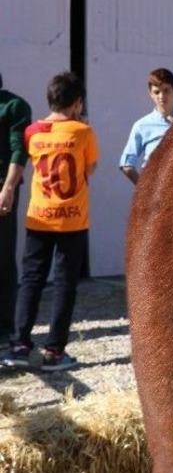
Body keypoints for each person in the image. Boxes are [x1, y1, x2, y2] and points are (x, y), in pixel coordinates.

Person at [3, 72, 98, 372]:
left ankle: (19, 345)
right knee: (64, 284)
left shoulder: (33, 131)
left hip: (39, 217)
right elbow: (90, 168)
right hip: (72, 220)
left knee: (31, 280)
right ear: (77, 102)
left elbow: (26, 158)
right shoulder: (83, 132)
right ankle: (54, 352)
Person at [0, 72, 32, 350]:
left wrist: (8, 187)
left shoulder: (14, 106)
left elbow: (18, 151)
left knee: (2, 256)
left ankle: (3, 326)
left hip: (1, 188)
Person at [119, 68, 173, 184]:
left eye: (166, 90)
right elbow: (126, 164)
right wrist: (144, 189)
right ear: (150, 94)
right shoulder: (142, 125)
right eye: (157, 92)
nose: (161, 96)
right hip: (154, 189)